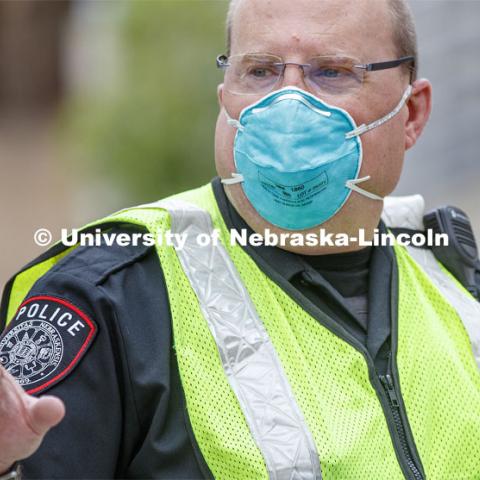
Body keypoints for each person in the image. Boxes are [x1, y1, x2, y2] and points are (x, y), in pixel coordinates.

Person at [1, 0, 480, 478]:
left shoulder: (451, 271)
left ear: (412, 113)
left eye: (331, 73)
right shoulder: (113, 294)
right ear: (225, 97)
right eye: (260, 72)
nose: (287, 106)